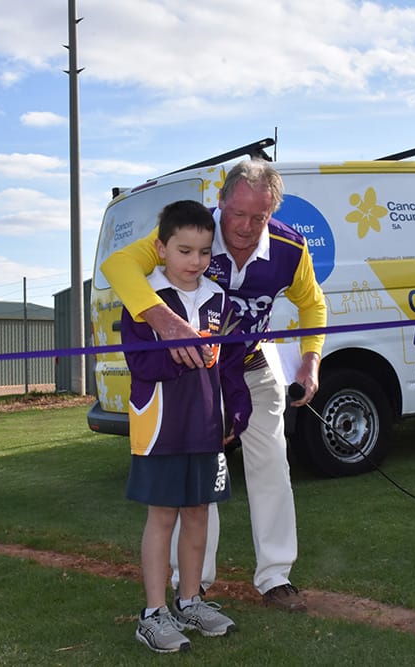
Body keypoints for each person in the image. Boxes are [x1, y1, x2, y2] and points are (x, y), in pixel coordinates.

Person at [104, 158, 327, 610]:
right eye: (237, 213)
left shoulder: (290, 247)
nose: (245, 227)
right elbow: (119, 265)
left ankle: (276, 576)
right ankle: (194, 583)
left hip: (253, 366)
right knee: (201, 477)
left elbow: (313, 303)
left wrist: (311, 361)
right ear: (220, 202)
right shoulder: (194, 232)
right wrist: (166, 322)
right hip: (198, 377)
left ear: (272, 213)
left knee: (272, 465)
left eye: (258, 217)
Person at [123, 200, 252, 653]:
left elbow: (230, 364)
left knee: (198, 512)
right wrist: (181, 356)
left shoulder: (218, 299)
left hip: (205, 425)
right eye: (184, 251)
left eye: (203, 252)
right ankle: (153, 613)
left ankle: (191, 600)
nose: (195, 261)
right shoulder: (144, 298)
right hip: (161, 426)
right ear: (161, 249)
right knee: (163, 515)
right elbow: (139, 363)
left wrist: (237, 408)